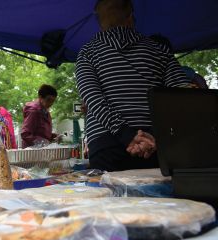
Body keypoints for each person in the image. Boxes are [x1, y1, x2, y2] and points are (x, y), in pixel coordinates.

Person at [75, 0, 189, 171]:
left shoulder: (87, 52)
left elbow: (93, 99)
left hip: (106, 145)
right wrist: (151, 136)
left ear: (100, 23)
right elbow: (181, 97)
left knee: (110, 196)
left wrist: (127, 135)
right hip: (153, 145)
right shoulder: (159, 50)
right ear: (130, 18)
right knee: (157, 197)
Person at [21, 84, 60, 148]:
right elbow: (25, 134)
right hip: (31, 152)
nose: (50, 104)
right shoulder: (33, 111)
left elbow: (40, 132)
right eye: (48, 100)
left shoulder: (45, 111)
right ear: (40, 97)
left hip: (41, 151)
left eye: (53, 101)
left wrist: (52, 136)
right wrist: (43, 141)